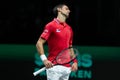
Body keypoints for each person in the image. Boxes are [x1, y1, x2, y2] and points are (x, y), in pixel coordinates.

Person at [36, 3, 78, 80]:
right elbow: (39, 43)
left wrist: (74, 61)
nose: (69, 11)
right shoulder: (51, 25)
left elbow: (70, 47)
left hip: (67, 67)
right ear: (59, 10)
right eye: (66, 8)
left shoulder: (69, 28)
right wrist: (44, 59)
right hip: (54, 66)